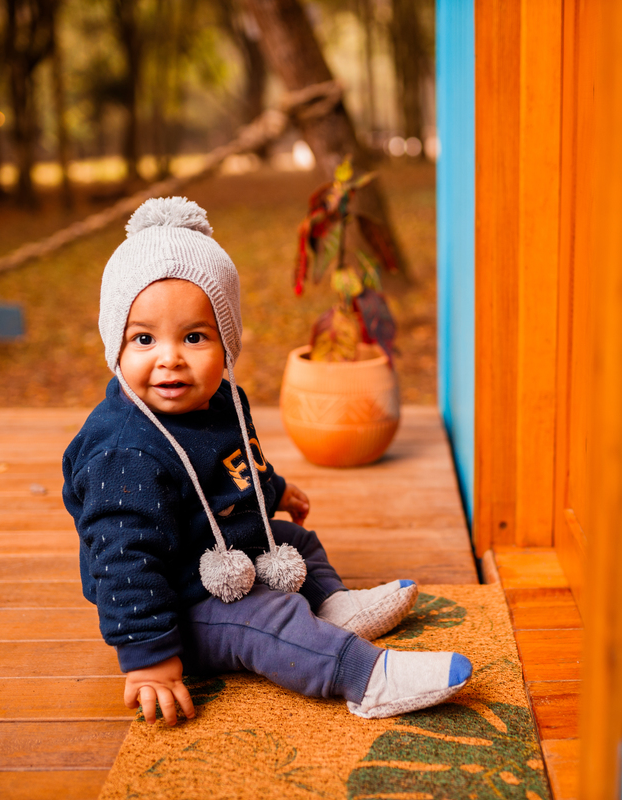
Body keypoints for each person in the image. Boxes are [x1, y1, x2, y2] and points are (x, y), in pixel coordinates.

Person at [63, 196, 471, 726]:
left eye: (194, 337)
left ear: (227, 343)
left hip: (224, 546)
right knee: (268, 618)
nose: (170, 358)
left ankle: (333, 607)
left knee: (296, 541)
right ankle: (368, 679)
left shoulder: (222, 400)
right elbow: (124, 562)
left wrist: (273, 489)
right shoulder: (124, 452)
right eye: (143, 338)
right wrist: (150, 662)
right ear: (115, 345)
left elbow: (235, 464)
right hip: (179, 600)